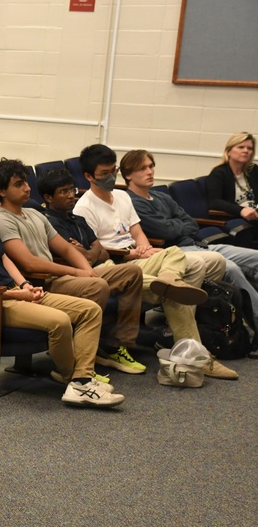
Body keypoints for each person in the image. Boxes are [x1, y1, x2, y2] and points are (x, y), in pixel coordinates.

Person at [0, 156, 126, 407]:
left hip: (14, 292)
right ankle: (77, 381)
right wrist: (14, 295)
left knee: (90, 311)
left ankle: (81, 379)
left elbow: (1, 257)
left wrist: (24, 284)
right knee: (60, 321)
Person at [73, 144, 237, 379]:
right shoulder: (84, 208)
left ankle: (169, 279)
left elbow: (136, 230)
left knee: (175, 253)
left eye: (113, 171)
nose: (111, 177)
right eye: (104, 174)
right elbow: (100, 252)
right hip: (120, 264)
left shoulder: (120, 195)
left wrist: (145, 248)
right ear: (89, 176)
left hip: (139, 256)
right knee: (173, 290)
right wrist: (134, 254)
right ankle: (197, 356)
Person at [0, 159, 147, 376]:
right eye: (18, 184)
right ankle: (79, 355)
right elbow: (29, 263)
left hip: (59, 276)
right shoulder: (1, 220)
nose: (27, 188)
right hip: (39, 282)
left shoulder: (34, 214)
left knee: (131, 272)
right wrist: (78, 273)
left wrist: (87, 270)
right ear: (0, 190)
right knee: (97, 286)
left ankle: (115, 344)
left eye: (26, 182)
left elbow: (66, 249)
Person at [122, 149, 258, 331]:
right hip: (175, 252)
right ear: (128, 174)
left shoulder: (162, 196)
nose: (150, 172)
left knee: (255, 257)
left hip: (198, 245)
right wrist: (176, 225)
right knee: (231, 268)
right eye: (143, 168)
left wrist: (175, 225)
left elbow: (191, 223)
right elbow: (165, 231)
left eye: (151, 166)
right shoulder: (131, 202)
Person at [206, 132, 258, 220]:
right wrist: (241, 210)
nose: (246, 151)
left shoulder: (253, 170)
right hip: (233, 218)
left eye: (249, 148)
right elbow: (214, 202)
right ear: (228, 151)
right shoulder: (219, 173)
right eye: (241, 147)